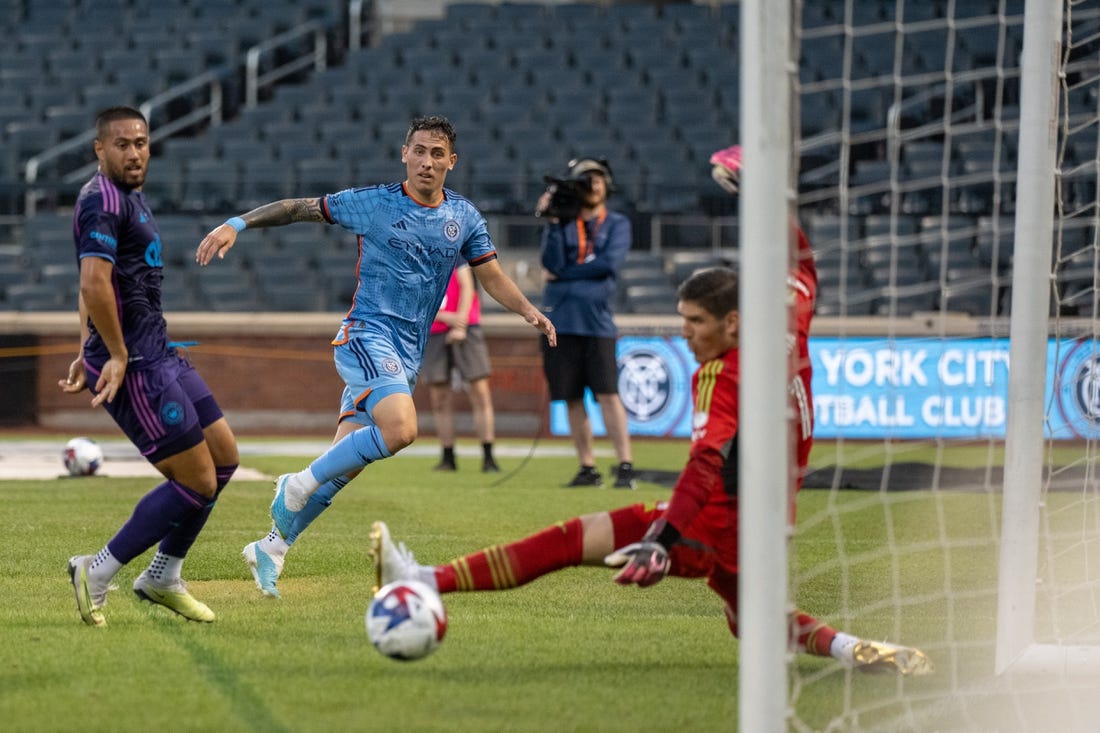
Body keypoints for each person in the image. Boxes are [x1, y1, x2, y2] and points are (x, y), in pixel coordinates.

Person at [368, 145, 932, 675]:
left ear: (731, 323)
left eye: (695, 323)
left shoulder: (724, 373)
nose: (686, 336)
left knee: (570, 539)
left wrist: (663, 538)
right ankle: (851, 648)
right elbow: (801, 263)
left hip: (714, 520)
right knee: (751, 622)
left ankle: (424, 579)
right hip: (769, 520)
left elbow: (705, 463)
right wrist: (761, 196)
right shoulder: (791, 319)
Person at [194, 114, 556, 598]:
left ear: (452, 161)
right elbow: (298, 208)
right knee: (402, 429)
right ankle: (293, 483)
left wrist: (528, 309)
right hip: (366, 336)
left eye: (437, 153)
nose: (427, 161)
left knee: (342, 468)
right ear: (404, 154)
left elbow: (490, 276)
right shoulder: (373, 204)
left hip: (406, 354)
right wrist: (236, 223)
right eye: (419, 151)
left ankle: (272, 548)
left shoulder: (464, 217)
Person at [60, 106, 240, 627]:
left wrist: (83, 346)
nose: (134, 152)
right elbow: (93, 284)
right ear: (99, 149)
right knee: (197, 480)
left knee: (224, 458)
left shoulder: (129, 197)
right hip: (134, 365)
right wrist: (109, 354)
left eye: (141, 142)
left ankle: (162, 575)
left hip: (158, 353)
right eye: (122, 144)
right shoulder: (101, 200)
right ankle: (96, 572)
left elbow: (93, 287)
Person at [537, 156, 635, 489]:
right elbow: (549, 260)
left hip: (597, 325)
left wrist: (563, 274)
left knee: (608, 394)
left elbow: (607, 265)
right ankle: (587, 467)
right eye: (584, 179)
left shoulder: (617, 223)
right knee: (572, 397)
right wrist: (551, 221)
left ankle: (625, 465)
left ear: (607, 184)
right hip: (560, 323)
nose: (592, 184)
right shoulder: (563, 222)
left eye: (597, 178)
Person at [425, 263, 499, 472]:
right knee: (439, 397)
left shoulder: (456, 247)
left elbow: (467, 287)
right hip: (434, 329)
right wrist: (445, 317)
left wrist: (460, 323)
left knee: (480, 391)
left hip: (467, 325)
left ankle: (488, 455)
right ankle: (447, 456)